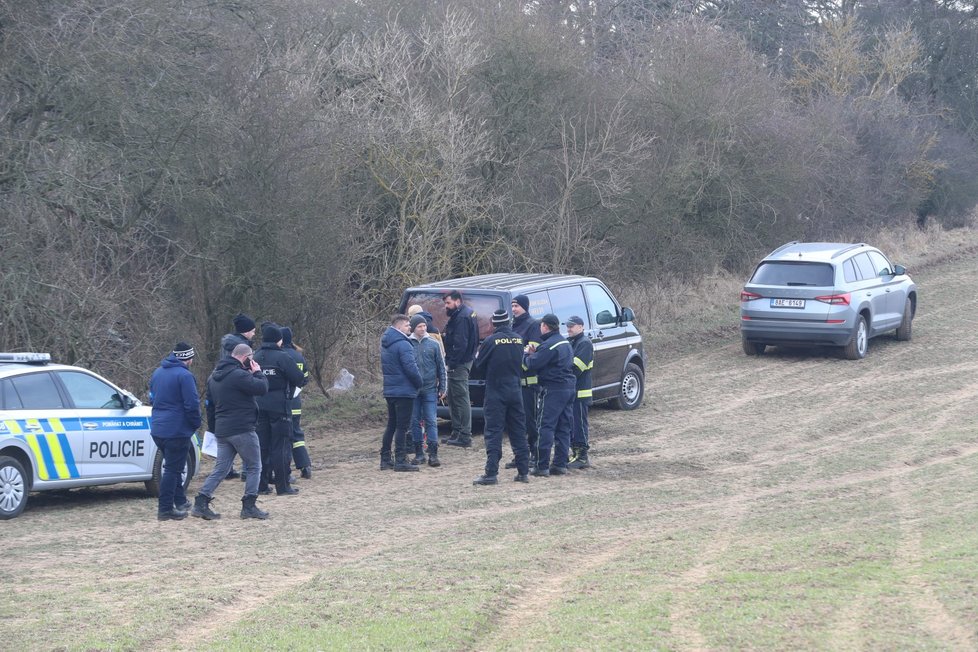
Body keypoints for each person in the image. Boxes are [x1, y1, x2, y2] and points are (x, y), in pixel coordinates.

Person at [192, 343, 270, 520]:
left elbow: (210, 406)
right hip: (242, 428)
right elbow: (263, 388)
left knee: (221, 468)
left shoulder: (214, 377)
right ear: (246, 357)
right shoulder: (239, 375)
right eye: (252, 358)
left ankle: (201, 502)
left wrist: (213, 429)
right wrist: (257, 371)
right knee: (254, 466)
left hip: (222, 429)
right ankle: (249, 505)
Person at [472, 310, 530, 485]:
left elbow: (478, 366)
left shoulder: (491, 341)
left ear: (494, 324)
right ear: (509, 322)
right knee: (518, 431)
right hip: (515, 391)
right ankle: (523, 472)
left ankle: (491, 473)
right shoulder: (519, 339)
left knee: (494, 432)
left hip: (496, 392)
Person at [148, 342, 201, 521]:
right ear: (189, 358)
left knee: (174, 466)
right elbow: (192, 404)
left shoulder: (157, 373)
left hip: (158, 429)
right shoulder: (185, 376)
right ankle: (165, 509)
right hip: (177, 429)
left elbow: (152, 399)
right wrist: (195, 424)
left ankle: (180, 501)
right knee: (172, 469)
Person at [253, 323, 307, 495]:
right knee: (281, 446)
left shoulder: (256, 356)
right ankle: (282, 486)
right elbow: (299, 378)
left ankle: (261, 486)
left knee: (262, 447)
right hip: (280, 407)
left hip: (259, 406)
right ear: (279, 340)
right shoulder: (282, 357)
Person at [523, 313, 575, 476]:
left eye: (541, 326)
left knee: (545, 426)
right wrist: (537, 352)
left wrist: (526, 355)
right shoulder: (564, 342)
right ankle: (560, 464)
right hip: (568, 388)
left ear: (545, 326)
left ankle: (541, 465)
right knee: (563, 427)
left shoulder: (549, 345)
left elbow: (533, 364)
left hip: (553, 389)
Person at [380, 314, 423, 472]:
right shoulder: (404, 344)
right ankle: (400, 459)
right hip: (404, 391)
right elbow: (410, 368)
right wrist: (419, 383)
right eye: (407, 326)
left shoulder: (386, 342)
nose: (409, 328)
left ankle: (385, 459)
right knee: (402, 427)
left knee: (391, 425)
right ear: (398, 327)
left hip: (390, 390)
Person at [505, 294, 542, 470]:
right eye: (512, 306)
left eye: (517, 306)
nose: (514, 309)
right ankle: (521, 455)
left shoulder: (533, 325)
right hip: (513, 381)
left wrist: (516, 360)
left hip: (528, 383)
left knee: (530, 421)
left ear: (525, 307)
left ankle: (535, 453)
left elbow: (531, 351)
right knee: (515, 422)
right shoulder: (513, 325)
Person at [219, 312, 256, 480]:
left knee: (227, 435)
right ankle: (248, 470)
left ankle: (227, 469)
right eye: (253, 330)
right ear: (246, 331)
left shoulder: (226, 345)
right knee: (246, 431)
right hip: (241, 390)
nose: (254, 333)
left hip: (224, 393)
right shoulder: (242, 348)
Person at [408, 314, 447, 466]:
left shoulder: (434, 344)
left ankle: (433, 453)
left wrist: (443, 387)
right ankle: (418, 453)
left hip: (430, 389)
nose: (423, 329)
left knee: (431, 420)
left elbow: (441, 367)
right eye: (420, 326)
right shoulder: (408, 344)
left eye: (424, 326)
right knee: (415, 421)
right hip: (413, 390)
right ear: (413, 328)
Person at [442, 290, 479, 448]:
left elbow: (461, 344)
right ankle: (457, 431)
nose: (446, 306)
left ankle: (464, 435)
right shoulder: (465, 314)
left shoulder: (462, 317)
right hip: (462, 361)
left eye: (448, 303)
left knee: (461, 398)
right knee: (452, 397)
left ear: (457, 301)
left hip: (459, 363)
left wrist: (452, 363)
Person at [281, 327, 313, 479]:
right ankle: (305, 466)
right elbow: (305, 378)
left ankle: (284, 471)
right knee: (297, 435)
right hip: (295, 403)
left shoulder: (279, 356)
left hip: (281, 404)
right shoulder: (298, 356)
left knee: (283, 437)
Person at [566, 315, 594, 470]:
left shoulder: (584, 343)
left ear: (581, 327)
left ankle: (582, 457)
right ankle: (575, 454)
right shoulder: (572, 342)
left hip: (580, 392)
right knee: (573, 425)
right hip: (572, 391)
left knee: (580, 425)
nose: (569, 328)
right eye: (568, 326)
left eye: (572, 326)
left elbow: (576, 368)